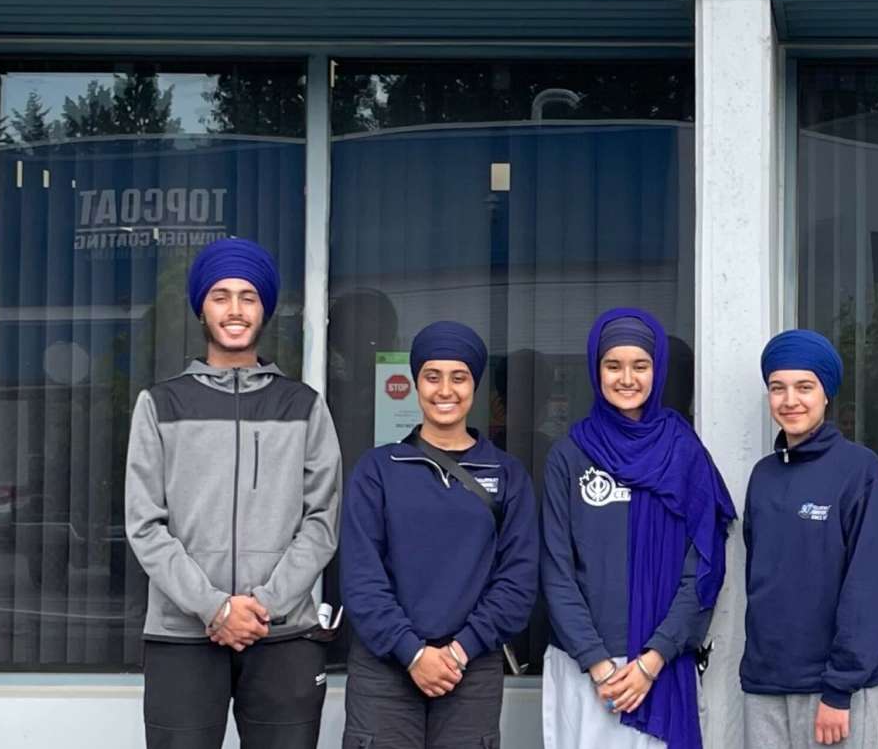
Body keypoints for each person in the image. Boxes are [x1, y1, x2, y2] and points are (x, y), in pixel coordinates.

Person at [125, 237, 343, 749]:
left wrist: (263, 606)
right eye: (220, 296)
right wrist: (215, 608)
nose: (236, 310)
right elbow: (145, 524)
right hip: (182, 636)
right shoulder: (160, 404)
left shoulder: (303, 406)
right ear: (201, 307)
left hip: (282, 634)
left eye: (249, 297)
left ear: (265, 308)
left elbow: (322, 521)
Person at [540, 307, 737, 749]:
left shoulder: (685, 455)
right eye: (613, 365)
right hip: (585, 669)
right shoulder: (568, 456)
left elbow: (704, 570)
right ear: (596, 370)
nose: (626, 378)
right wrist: (597, 663)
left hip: (660, 667)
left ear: (658, 369)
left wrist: (653, 659)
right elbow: (556, 569)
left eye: (640, 366)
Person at [339, 320, 539, 749]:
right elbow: (361, 576)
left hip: (471, 667)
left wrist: (459, 650)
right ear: (416, 383)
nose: (445, 390)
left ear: (475, 385)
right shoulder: (378, 470)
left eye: (459, 377)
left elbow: (517, 581)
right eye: (432, 376)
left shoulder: (507, 475)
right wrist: (411, 651)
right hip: (384, 669)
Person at [742, 329, 878, 749]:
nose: (790, 400)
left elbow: (870, 586)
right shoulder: (763, 476)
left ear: (826, 394)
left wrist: (840, 686)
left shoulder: (859, 470)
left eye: (804, 387)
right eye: (778, 388)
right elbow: (760, 576)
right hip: (765, 683)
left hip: (835, 688)